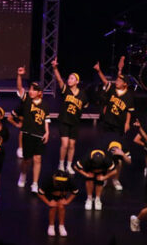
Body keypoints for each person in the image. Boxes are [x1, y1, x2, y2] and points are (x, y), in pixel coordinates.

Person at [94, 57, 134, 190]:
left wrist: (127, 123)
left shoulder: (129, 96)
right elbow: (105, 81)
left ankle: (116, 179)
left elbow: (129, 111)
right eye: (117, 80)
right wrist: (99, 71)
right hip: (107, 125)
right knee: (105, 152)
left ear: (125, 84)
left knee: (117, 154)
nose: (116, 82)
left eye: (119, 81)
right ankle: (105, 177)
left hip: (119, 127)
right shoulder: (112, 89)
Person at [15, 66, 49, 193]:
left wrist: (47, 132)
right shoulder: (27, 100)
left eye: (34, 90)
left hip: (39, 135)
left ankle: (35, 183)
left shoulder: (45, 105)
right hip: (28, 133)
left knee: (38, 159)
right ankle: (23, 174)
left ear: (39, 92)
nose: (31, 91)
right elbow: (20, 88)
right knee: (27, 160)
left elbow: (46, 120)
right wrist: (20, 76)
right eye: (30, 89)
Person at [52, 59, 88, 173]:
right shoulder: (66, 90)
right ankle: (61, 164)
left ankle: (69, 165)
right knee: (65, 144)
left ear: (77, 81)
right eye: (68, 78)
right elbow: (59, 79)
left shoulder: (82, 95)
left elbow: (85, 105)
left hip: (75, 122)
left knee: (72, 145)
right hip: (64, 120)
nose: (69, 80)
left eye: (72, 78)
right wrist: (55, 68)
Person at [71, 142, 121, 211]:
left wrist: (104, 177)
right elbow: (76, 167)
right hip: (89, 169)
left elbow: (114, 171)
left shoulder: (107, 159)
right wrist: (86, 174)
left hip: (102, 170)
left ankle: (97, 199)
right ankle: (89, 198)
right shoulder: (86, 158)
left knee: (100, 179)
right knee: (89, 178)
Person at [36, 170, 79, 237]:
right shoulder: (48, 180)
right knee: (53, 207)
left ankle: (61, 226)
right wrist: (48, 202)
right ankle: (51, 226)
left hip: (62, 195)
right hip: (50, 195)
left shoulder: (70, 181)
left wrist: (68, 201)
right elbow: (40, 193)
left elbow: (75, 192)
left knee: (61, 207)